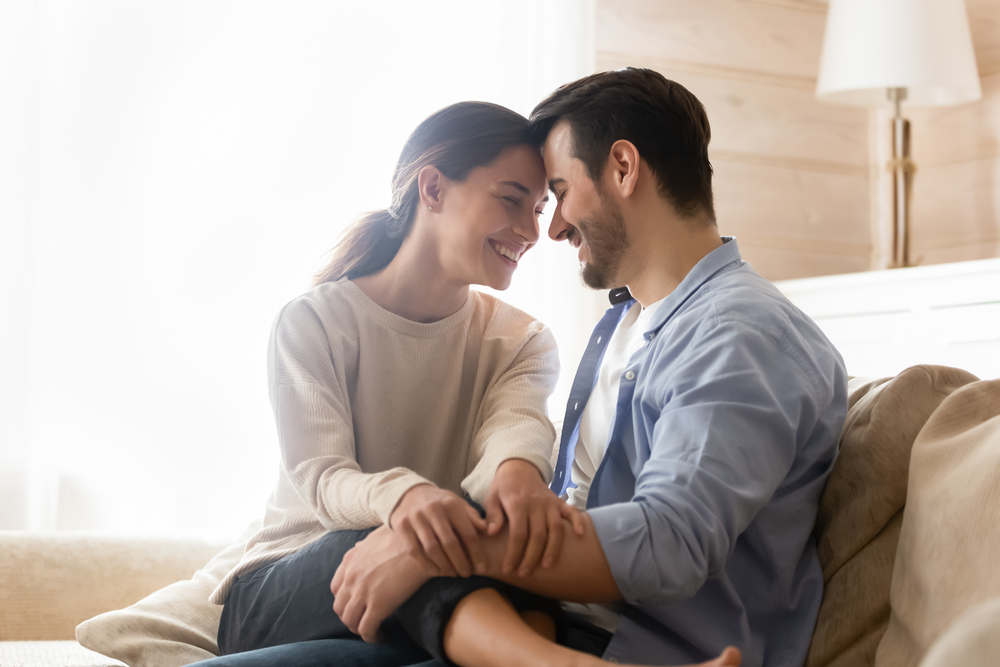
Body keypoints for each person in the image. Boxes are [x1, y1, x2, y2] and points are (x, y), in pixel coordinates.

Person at [188, 99, 738, 667]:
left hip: (418, 588)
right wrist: (407, 497)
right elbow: (324, 480)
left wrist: (519, 482)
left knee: (507, 554)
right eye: (511, 199)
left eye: (542, 205)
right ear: (432, 189)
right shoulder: (313, 323)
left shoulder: (520, 340)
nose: (532, 231)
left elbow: (513, 434)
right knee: (414, 539)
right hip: (281, 591)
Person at [327, 68, 847, 667]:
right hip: (531, 623)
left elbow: (669, 543)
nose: (551, 228)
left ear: (623, 168)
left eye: (559, 191)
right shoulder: (625, 323)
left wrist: (439, 550)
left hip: (632, 649)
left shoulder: (740, 333)